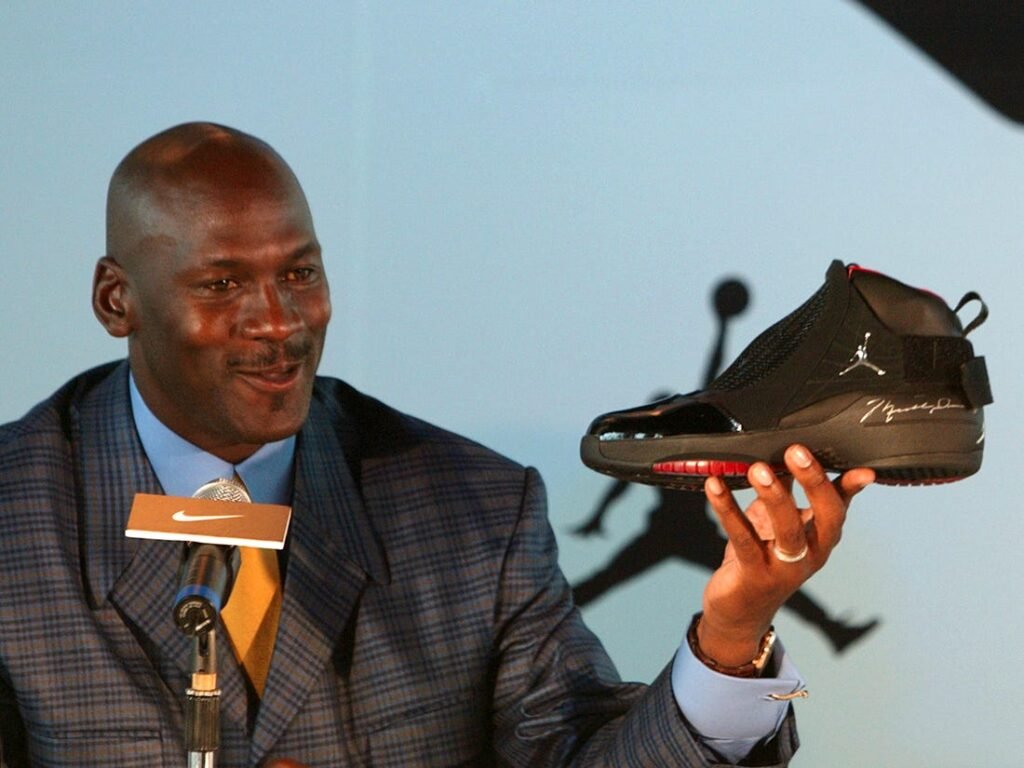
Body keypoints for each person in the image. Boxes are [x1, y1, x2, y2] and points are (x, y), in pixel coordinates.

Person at [0, 123, 873, 767]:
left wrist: (732, 632)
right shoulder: (14, 513)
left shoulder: (474, 509)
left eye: (300, 273)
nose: (279, 322)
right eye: (223, 283)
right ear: (117, 300)